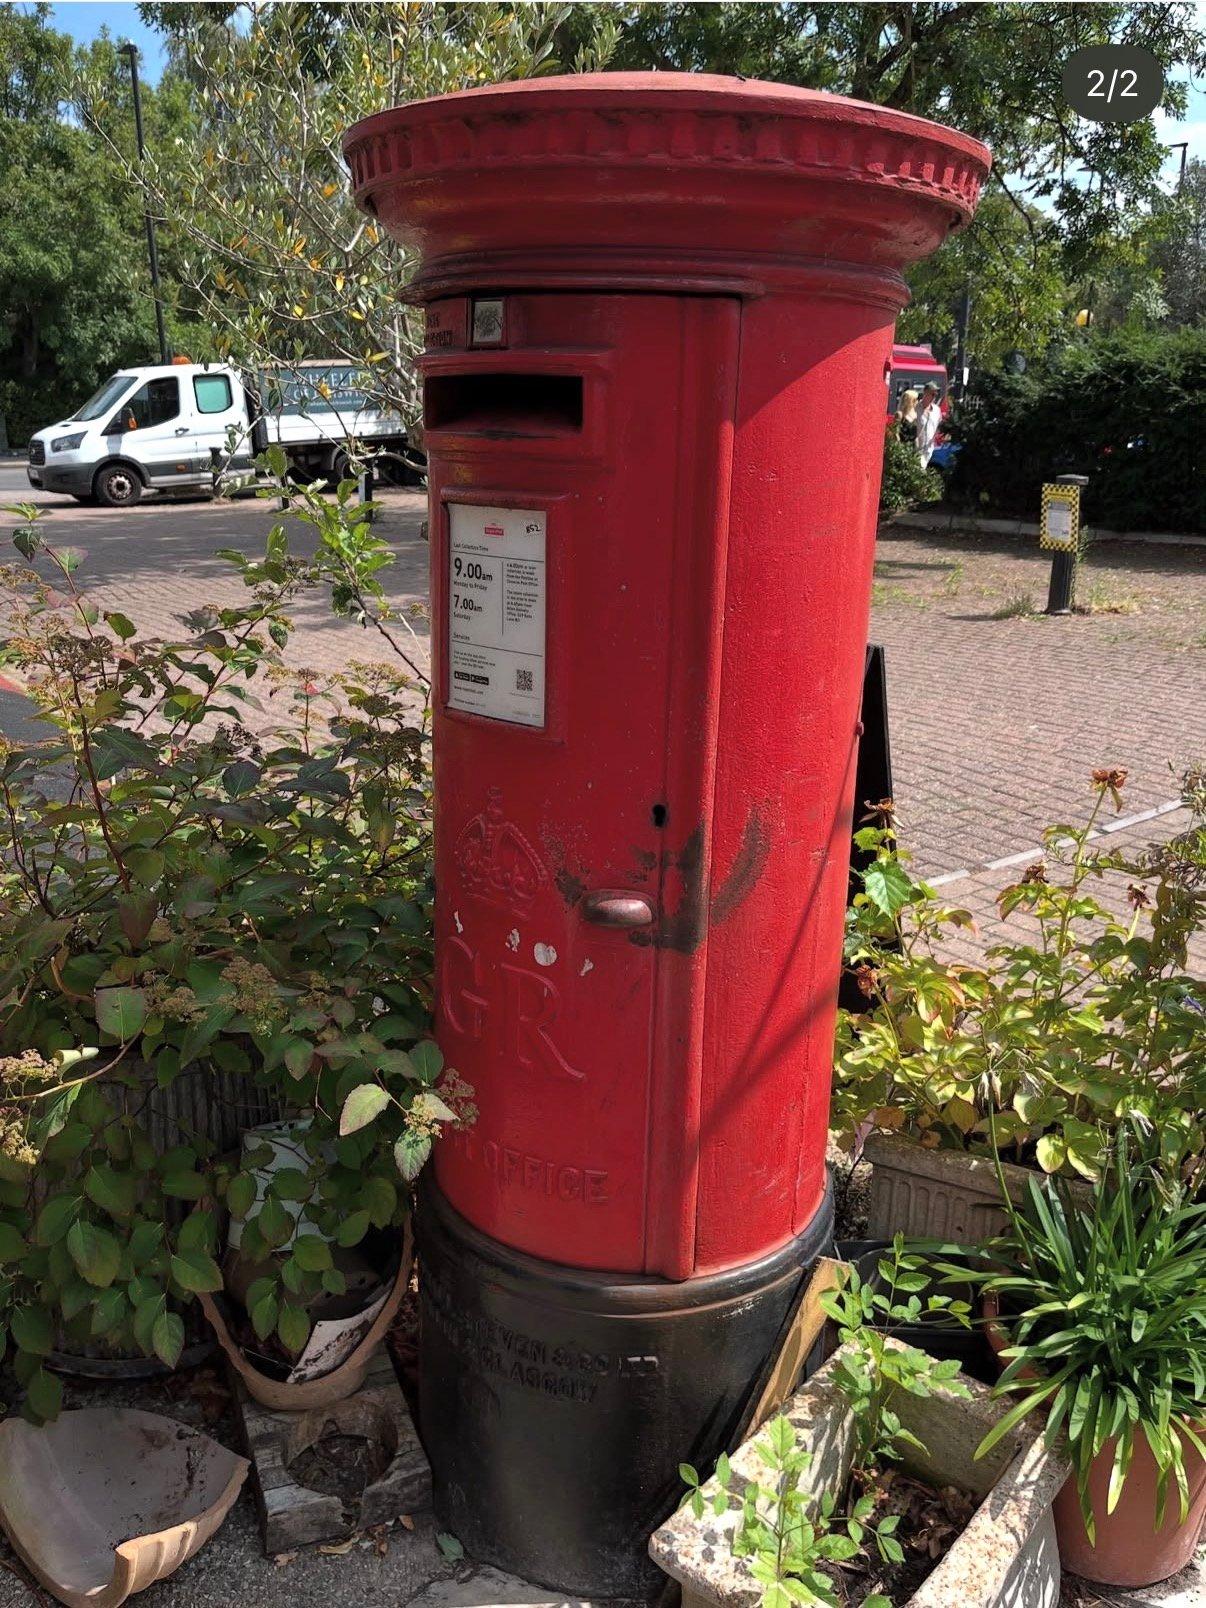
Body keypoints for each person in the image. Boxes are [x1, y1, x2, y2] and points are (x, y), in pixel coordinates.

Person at [917, 383, 942, 468]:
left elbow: (938, 425)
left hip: (928, 449)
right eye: (932, 394)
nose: (934, 397)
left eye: (935, 395)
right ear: (925, 393)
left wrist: (935, 438)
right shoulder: (916, 407)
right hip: (916, 448)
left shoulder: (937, 410)